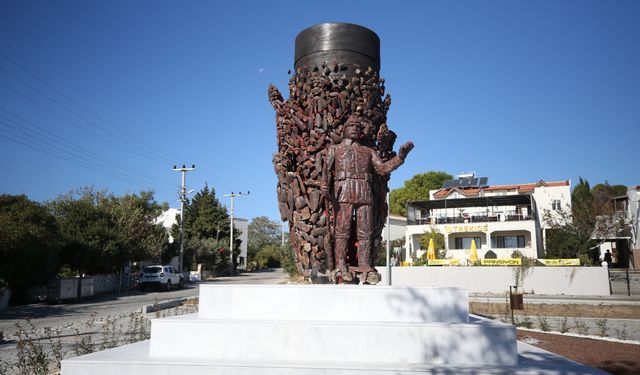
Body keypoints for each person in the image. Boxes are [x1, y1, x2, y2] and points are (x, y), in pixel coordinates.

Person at [321, 113, 413, 282]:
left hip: (364, 191)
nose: (355, 129)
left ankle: (364, 265)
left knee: (365, 231)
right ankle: (340, 265)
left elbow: (382, 169)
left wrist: (400, 157)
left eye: (358, 127)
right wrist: (324, 185)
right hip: (343, 190)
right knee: (342, 230)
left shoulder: (369, 151)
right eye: (351, 126)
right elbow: (326, 170)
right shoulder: (335, 149)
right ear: (344, 130)